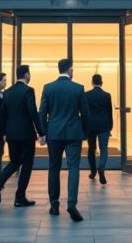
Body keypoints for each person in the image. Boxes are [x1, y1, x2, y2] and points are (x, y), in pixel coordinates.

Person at [39, 58, 90, 222]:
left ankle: (54, 204)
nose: (73, 72)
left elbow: (42, 113)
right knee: (74, 167)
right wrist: (86, 133)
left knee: (53, 168)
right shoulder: (78, 88)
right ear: (69, 70)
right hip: (74, 133)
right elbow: (85, 114)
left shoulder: (48, 88)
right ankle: (71, 203)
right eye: (73, 69)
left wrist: (43, 132)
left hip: (54, 133)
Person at [0, 64, 43, 207]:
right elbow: (33, 112)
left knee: (14, 161)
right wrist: (41, 132)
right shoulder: (28, 91)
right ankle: (20, 197)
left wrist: (3, 133)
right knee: (27, 164)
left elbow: (3, 115)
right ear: (27, 75)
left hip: (11, 134)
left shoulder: (7, 92)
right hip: (25, 134)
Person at [85, 74, 113, 185]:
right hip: (104, 125)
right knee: (103, 149)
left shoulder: (86, 95)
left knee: (91, 149)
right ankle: (101, 169)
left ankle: (93, 172)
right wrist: (110, 126)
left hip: (91, 126)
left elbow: (85, 112)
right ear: (102, 83)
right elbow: (109, 112)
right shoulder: (107, 95)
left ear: (92, 82)